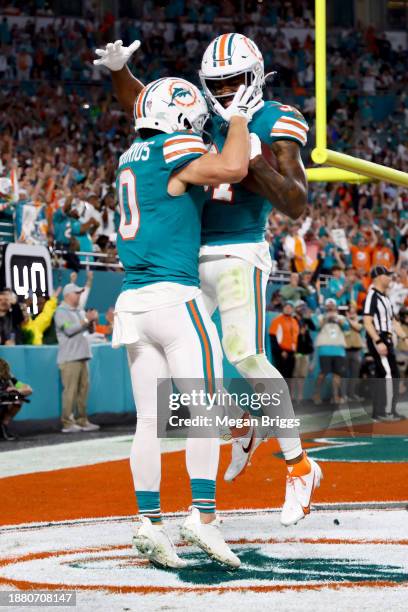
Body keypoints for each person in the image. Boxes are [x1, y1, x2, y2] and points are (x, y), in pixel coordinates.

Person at [95, 35, 321, 530]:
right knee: (196, 375)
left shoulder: (275, 119)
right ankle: (242, 422)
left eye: (236, 80)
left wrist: (255, 159)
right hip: (188, 255)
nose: (227, 90)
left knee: (244, 355)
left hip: (240, 249)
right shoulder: (201, 113)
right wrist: (117, 71)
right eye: (218, 83)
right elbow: (145, 102)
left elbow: (297, 202)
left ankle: (300, 466)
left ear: (257, 75)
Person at [111, 76, 259, 569]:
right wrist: (237, 115)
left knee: (148, 420)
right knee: (208, 412)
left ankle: (147, 522)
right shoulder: (174, 148)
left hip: (133, 303)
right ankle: (204, 517)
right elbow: (235, 167)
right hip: (176, 299)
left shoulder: (130, 156)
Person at [363, 266, 408, 420]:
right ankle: (385, 412)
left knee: (391, 374)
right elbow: (367, 322)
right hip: (379, 338)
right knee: (388, 374)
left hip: (387, 339)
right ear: (378, 277)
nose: (390, 278)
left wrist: (405, 337)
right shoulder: (372, 296)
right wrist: (377, 341)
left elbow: (394, 322)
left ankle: (386, 411)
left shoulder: (385, 298)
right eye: (387, 275)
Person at [54, 282, 100, 433]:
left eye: (80, 293)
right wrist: (86, 320)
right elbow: (69, 330)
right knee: (70, 392)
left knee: (83, 391)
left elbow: (89, 331)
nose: (79, 295)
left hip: (83, 356)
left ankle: (82, 420)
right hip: (69, 359)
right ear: (68, 295)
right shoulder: (60, 311)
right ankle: (67, 423)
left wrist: (92, 320)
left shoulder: (80, 311)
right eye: (77, 293)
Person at [314, 298, 350, 405]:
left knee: (337, 374)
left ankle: (335, 396)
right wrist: (326, 319)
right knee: (323, 373)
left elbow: (347, 327)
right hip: (325, 349)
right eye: (328, 306)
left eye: (332, 305)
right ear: (325, 307)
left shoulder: (341, 317)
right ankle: (316, 395)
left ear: (335, 307)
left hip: (339, 350)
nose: (330, 307)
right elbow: (317, 327)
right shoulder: (321, 317)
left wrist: (337, 319)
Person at [0, 358, 32, 441]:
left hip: (4, 401)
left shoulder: (9, 377)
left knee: (19, 398)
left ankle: (4, 425)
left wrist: (16, 390)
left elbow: (29, 389)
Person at [269, 301, 299, 378]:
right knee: (281, 376)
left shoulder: (294, 321)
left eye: (290, 308)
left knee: (290, 376)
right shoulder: (277, 320)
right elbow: (273, 337)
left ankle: (288, 390)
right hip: (281, 353)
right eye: (286, 307)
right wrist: (280, 351)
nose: (288, 309)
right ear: (283, 308)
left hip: (291, 353)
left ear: (293, 310)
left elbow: (295, 338)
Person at [344, 304, 364, 401]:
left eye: (353, 311)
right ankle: (343, 395)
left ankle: (352, 394)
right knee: (344, 374)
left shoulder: (359, 319)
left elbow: (358, 327)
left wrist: (349, 319)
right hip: (345, 351)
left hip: (356, 351)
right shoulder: (343, 321)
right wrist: (346, 320)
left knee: (354, 374)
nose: (352, 313)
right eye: (350, 311)